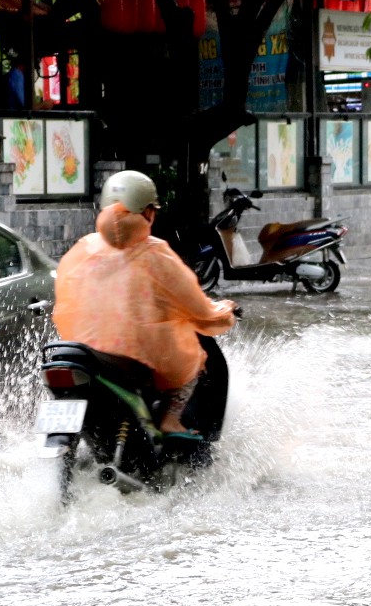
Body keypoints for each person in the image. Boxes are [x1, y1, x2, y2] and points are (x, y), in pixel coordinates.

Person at [53, 170, 237, 438]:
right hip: (137, 354)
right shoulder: (155, 252)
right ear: (148, 212)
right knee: (193, 363)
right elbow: (198, 308)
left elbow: (66, 298)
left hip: (87, 350)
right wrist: (225, 313)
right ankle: (170, 421)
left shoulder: (84, 248)